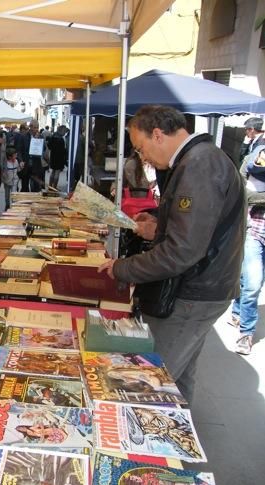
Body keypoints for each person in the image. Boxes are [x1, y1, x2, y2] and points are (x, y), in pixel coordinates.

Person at [98, 105, 245, 404]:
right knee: (179, 376)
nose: (144, 158)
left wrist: (124, 268)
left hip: (193, 291)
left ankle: (149, 441)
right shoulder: (198, 161)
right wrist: (158, 226)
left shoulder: (199, 165)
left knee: (152, 381)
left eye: (141, 148)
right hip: (200, 286)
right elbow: (195, 230)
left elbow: (181, 252)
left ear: (157, 134)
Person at [229, 145, 265, 354]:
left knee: (255, 281)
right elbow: (245, 195)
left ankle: (237, 309)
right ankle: (246, 332)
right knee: (253, 283)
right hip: (255, 231)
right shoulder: (256, 158)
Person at [27, 120, 46, 192]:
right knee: (26, 186)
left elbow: (44, 148)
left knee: (36, 185)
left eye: (37, 127)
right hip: (28, 163)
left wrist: (38, 140)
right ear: (30, 127)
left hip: (37, 164)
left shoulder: (40, 136)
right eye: (35, 127)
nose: (36, 129)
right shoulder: (26, 136)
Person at [1, 146, 20, 212]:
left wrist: (21, 167)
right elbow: (3, 171)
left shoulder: (16, 161)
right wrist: (3, 176)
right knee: (7, 195)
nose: (16, 156)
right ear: (9, 157)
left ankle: (14, 206)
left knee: (14, 194)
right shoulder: (5, 163)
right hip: (7, 181)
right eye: (14, 155)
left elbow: (18, 170)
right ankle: (7, 205)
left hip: (14, 181)